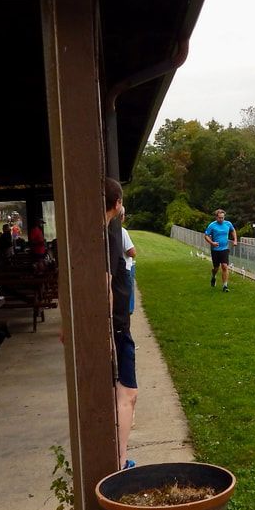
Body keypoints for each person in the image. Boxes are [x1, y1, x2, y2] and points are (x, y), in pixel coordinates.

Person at [105, 179, 137, 470]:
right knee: (126, 393)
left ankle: (118, 458)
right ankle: (119, 464)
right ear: (117, 204)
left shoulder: (96, 232)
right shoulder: (110, 235)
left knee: (125, 393)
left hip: (114, 325)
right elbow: (106, 282)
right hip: (114, 326)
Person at [203, 209, 237, 293]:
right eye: (219, 218)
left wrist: (235, 240)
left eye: (222, 217)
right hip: (215, 250)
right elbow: (206, 235)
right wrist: (212, 242)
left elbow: (233, 230)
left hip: (224, 249)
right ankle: (213, 276)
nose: (221, 219)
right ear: (216, 217)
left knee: (225, 266)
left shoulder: (228, 224)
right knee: (216, 268)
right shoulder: (212, 225)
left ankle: (225, 286)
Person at [120, 209, 136, 314]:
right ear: (121, 216)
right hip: (126, 267)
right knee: (128, 293)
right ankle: (128, 311)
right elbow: (131, 252)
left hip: (117, 268)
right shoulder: (122, 232)